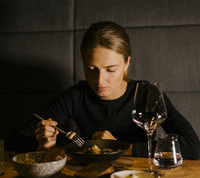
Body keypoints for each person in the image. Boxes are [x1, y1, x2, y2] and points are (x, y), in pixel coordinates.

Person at [13, 21, 200, 159]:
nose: (100, 81)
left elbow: (193, 147)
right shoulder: (77, 95)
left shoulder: (146, 93)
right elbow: (17, 141)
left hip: (140, 177)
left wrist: (124, 148)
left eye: (111, 69)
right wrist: (43, 144)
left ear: (127, 63)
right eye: (91, 69)